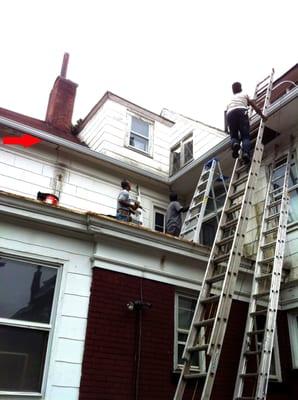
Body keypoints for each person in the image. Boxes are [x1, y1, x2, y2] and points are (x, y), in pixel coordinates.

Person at [226, 82, 267, 164]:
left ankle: (235, 144)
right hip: (241, 111)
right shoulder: (244, 95)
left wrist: (227, 128)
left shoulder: (230, 100)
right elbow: (254, 106)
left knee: (233, 136)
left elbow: (226, 114)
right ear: (240, 88)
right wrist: (262, 116)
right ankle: (246, 154)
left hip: (230, 114)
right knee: (245, 137)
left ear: (233, 90)